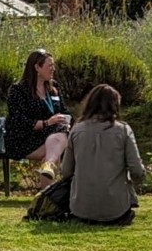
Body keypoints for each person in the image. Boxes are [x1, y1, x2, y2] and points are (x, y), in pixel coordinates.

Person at [60, 84, 146, 226]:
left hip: (81, 209)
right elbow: (136, 170)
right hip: (117, 210)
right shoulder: (123, 130)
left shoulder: (76, 130)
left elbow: (66, 171)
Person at [4, 49, 73, 184]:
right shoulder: (18, 90)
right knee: (58, 144)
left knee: (57, 140)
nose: (53, 69)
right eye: (50, 65)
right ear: (36, 67)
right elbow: (18, 121)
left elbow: (64, 110)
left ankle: (47, 177)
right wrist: (46, 123)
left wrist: (67, 119)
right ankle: (50, 173)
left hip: (51, 136)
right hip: (23, 138)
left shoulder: (54, 87)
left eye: (53, 65)